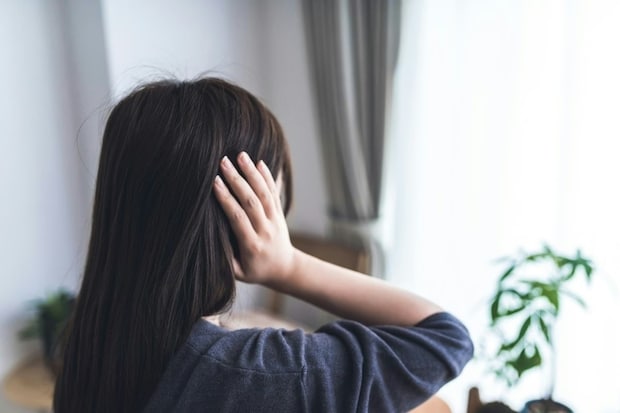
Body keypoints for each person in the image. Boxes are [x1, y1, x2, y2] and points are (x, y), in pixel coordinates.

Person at [53, 77, 473, 413]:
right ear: (243, 212)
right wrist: (289, 267)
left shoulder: (88, 347)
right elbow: (446, 340)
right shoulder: (259, 373)